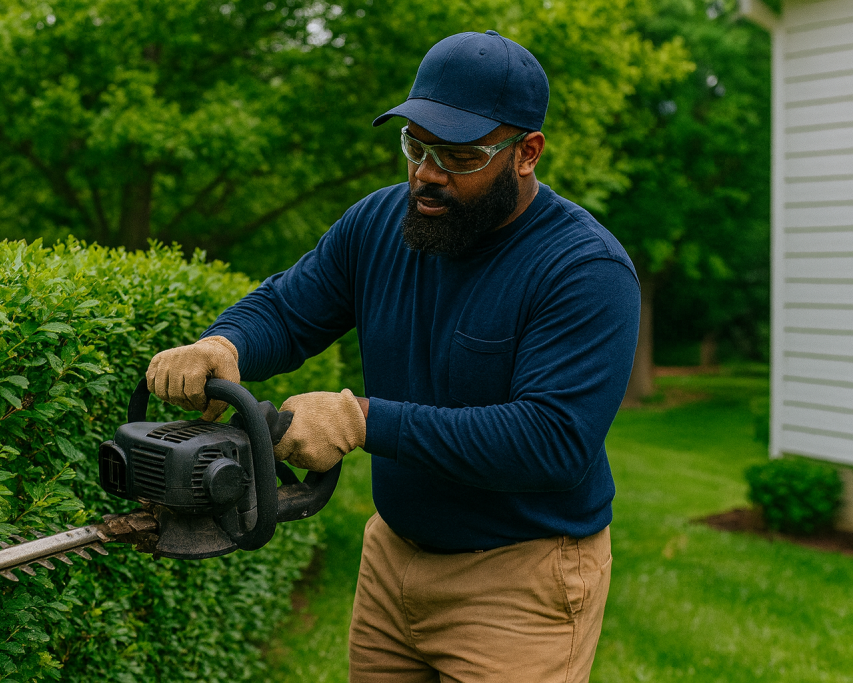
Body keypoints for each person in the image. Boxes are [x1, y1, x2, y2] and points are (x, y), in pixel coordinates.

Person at [147, 30, 640, 683]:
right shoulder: (379, 224)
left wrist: (360, 421)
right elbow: (291, 306)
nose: (427, 173)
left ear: (527, 152)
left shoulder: (582, 269)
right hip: (393, 559)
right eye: (416, 144)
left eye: (459, 155)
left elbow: (550, 440)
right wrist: (222, 342)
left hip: (522, 580)